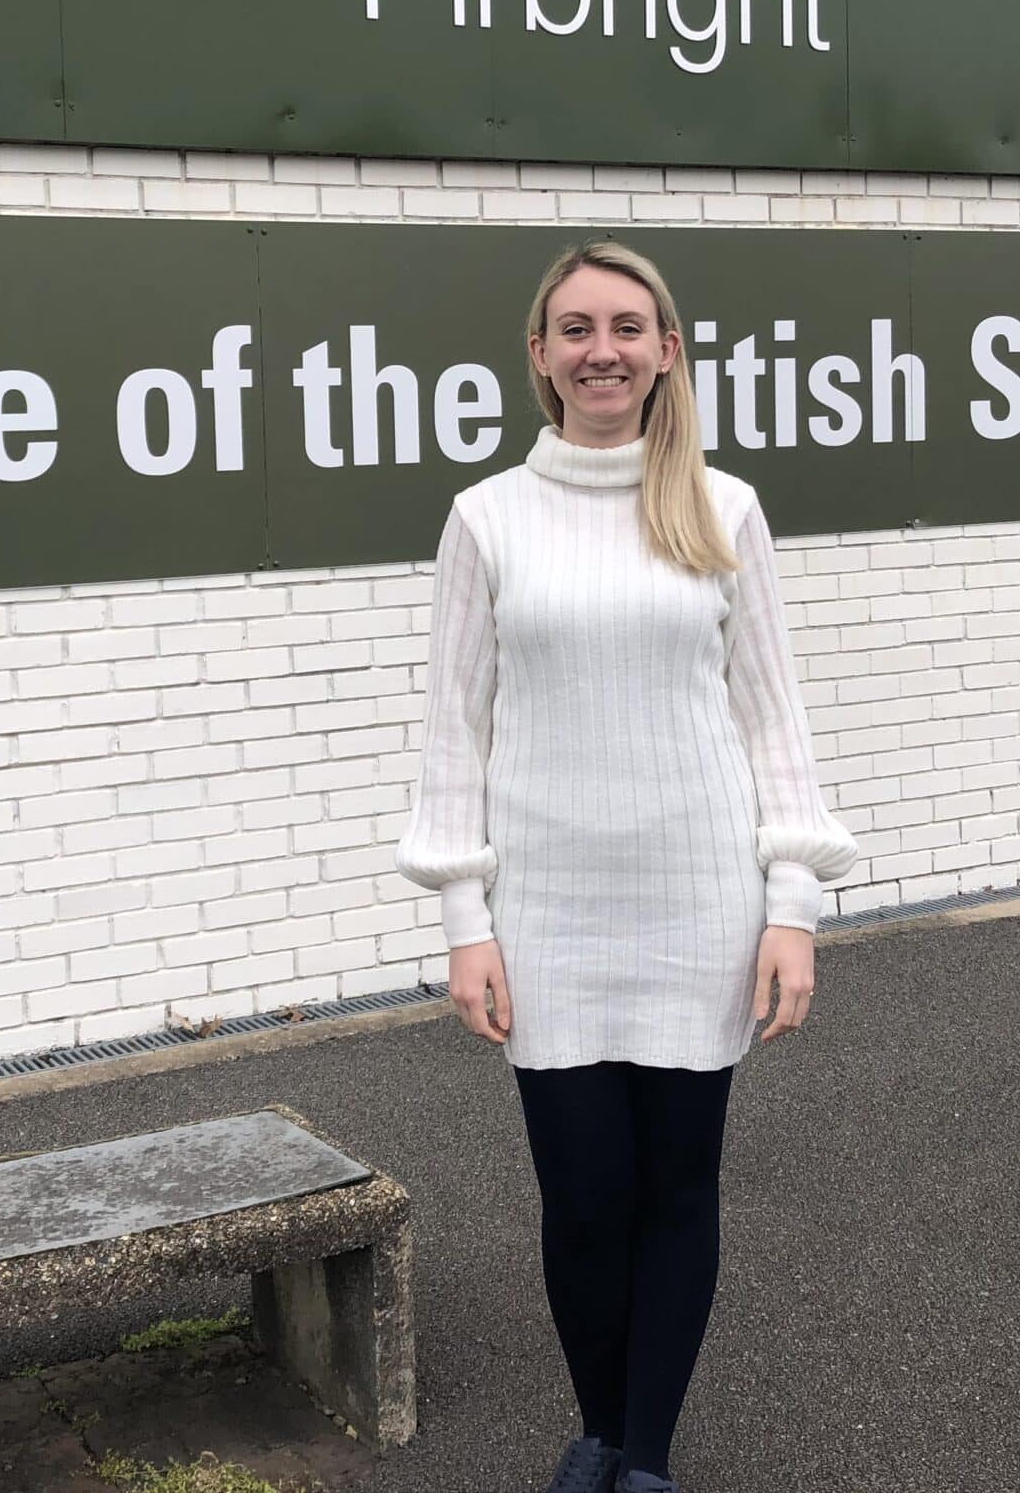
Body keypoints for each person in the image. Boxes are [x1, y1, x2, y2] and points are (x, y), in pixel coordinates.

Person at [395, 238, 860, 1493]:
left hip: (698, 905)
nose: (603, 349)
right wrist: (463, 919)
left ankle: (643, 1458)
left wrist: (793, 906)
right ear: (539, 356)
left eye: (627, 326)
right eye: (575, 328)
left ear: (667, 351)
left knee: (677, 1192)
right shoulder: (486, 518)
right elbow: (453, 729)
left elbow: (773, 721)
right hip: (547, 915)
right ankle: (596, 1428)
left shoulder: (723, 508)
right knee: (583, 1201)